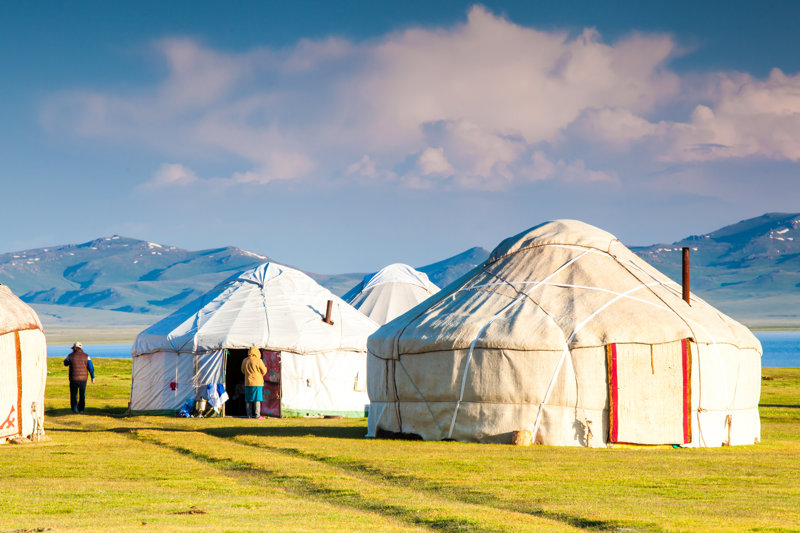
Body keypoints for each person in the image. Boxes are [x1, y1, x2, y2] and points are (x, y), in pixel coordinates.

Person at [63, 342, 95, 414]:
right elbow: (91, 367)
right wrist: (92, 377)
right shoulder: (86, 356)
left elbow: (65, 363)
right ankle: (81, 410)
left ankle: (74, 409)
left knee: (74, 394)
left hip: (73, 379)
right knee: (82, 394)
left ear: (74, 348)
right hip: (83, 379)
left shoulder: (70, 356)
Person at [240, 346, 267, 419]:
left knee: (248, 400)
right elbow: (264, 371)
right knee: (257, 399)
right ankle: (257, 415)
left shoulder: (245, 360)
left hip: (248, 382)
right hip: (257, 383)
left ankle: (249, 415)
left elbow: (242, 370)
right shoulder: (259, 361)